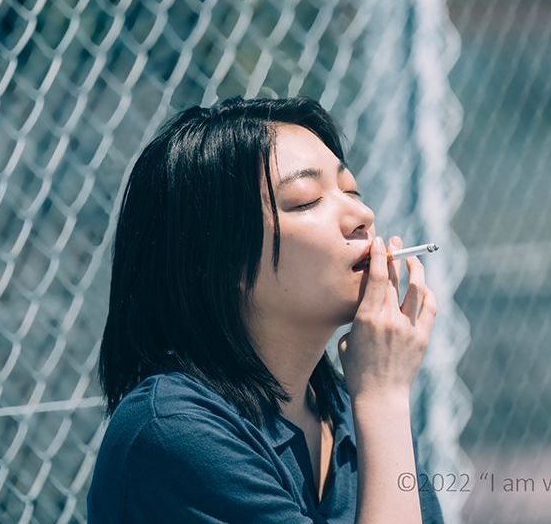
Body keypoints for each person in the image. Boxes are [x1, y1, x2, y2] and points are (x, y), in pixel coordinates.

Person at [87, 95, 443, 523]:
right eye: (307, 200)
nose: (362, 215)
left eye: (352, 190)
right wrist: (385, 398)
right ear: (223, 259)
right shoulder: (176, 433)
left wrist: (380, 403)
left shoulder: (352, 410)